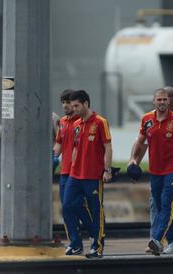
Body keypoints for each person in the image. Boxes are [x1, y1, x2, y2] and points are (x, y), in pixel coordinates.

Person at [129, 88, 173, 256]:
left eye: (164, 100)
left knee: (167, 204)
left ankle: (157, 239)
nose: (161, 102)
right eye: (158, 100)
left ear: (169, 102)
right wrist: (133, 159)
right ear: (154, 101)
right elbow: (140, 142)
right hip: (155, 171)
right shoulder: (147, 119)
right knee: (159, 205)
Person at [62, 90, 112, 258]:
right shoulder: (77, 125)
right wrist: (72, 166)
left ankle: (97, 247)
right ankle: (83, 239)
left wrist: (107, 169)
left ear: (86, 104)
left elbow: (108, 147)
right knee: (68, 205)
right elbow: (76, 148)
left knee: (96, 210)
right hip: (75, 175)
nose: (73, 108)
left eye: (76, 105)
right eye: (72, 105)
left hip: (92, 176)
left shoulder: (100, 122)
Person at [53, 89, 93, 246]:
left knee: (76, 205)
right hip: (65, 171)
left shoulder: (82, 122)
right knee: (67, 207)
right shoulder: (62, 122)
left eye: (68, 103)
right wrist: (53, 156)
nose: (65, 106)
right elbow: (59, 143)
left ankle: (92, 230)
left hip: (80, 171)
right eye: (63, 102)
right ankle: (75, 242)